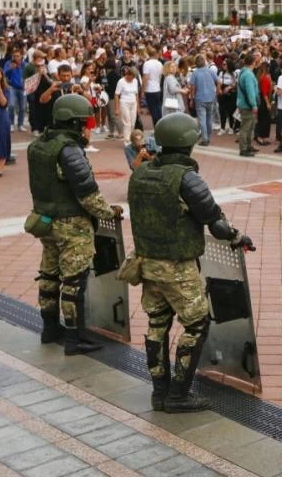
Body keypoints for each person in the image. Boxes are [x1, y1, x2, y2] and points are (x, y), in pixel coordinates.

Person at [128, 113, 255, 413]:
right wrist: (239, 237)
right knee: (197, 323)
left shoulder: (140, 173)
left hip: (147, 263)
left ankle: (159, 393)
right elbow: (215, 222)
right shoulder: (186, 178)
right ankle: (179, 394)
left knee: (157, 324)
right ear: (188, 144)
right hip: (177, 267)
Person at [26, 95, 121, 355]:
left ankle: (49, 328)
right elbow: (87, 192)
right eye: (85, 121)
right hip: (72, 225)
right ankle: (74, 337)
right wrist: (108, 213)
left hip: (45, 222)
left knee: (49, 275)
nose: (87, 127)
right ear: (75, 121)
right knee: (73, 281)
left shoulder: (38, 145)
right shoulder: (68, 149)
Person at [191, 55, 219, 146]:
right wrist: (216, 92)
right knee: (209, 118)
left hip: (200, 98)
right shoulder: (210, 71)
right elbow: (218, 82)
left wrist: (192, 98)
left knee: (202, 119)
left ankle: (205, 138)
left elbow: (193, 87)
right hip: (211, 97)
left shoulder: (195, 73)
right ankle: (208, 136)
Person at [236, 53, 260, 157]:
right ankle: (244, 148)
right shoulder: (248, 75)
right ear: (253, 63)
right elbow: (250, 92)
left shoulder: (243, 72)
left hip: (243, 103)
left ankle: (248, 145)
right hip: (247, 105)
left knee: (249, 126)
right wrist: (254, 105)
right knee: (246, 127)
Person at [114, 66, 141, 144]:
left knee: (133, 123)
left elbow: (136, 94)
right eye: (131, 77)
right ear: (128, 74)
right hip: (124, 103)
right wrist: (117, 108)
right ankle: (127, 141)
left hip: (133, 103)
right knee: (127, 123)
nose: (132, 79)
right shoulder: (121, 81)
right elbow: (116, 95)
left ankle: (131, 139)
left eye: (133, 77)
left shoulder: (135, 80)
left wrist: (138, 107)